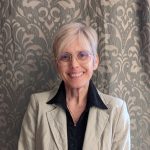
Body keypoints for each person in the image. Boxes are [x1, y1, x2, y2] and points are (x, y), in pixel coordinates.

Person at [18, 22, 130, 150]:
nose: (74, 65)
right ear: (57, 65)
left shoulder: (117, 110)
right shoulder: (38, 105)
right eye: (65, 57)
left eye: (82, 55)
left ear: (95, 61)